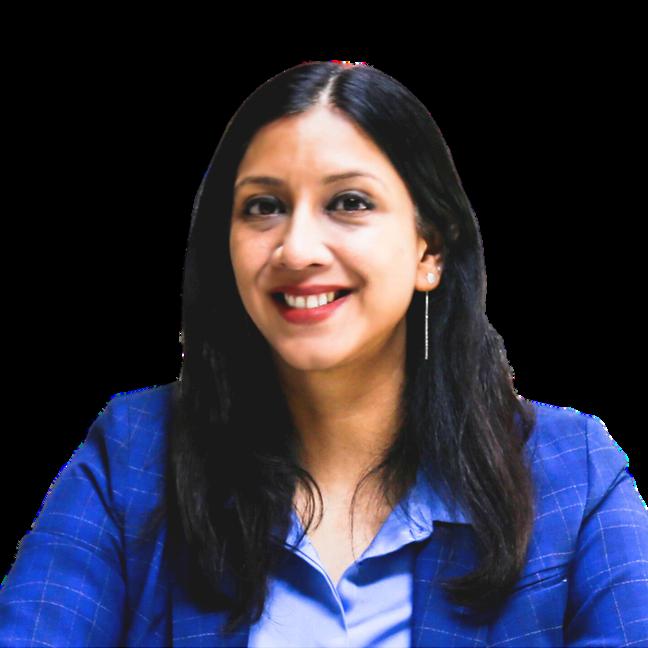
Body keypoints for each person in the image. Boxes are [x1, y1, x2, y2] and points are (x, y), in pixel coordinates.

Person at [1, 60, 647, 647]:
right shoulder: (133, 455)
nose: (298, 249)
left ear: (429, 250)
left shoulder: (575, 475)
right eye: (264, 207)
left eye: (349, 203)